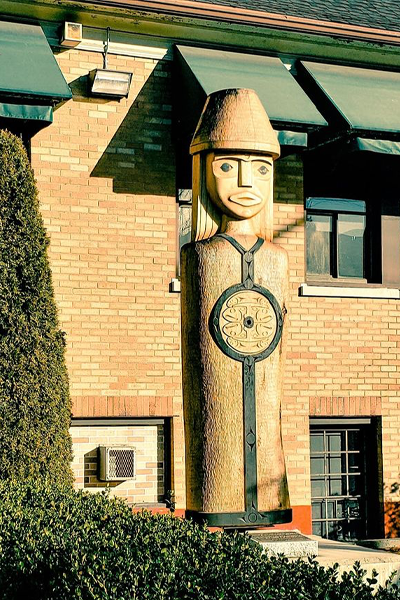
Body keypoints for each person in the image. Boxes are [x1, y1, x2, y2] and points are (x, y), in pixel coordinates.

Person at [181, 88, 291, 528]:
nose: (246, 184)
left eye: (261, 169)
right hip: (216, 434)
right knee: (218, 435)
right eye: (228, 167)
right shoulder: (200, 256)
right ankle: (221, 498)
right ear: (203, 171)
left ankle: (268, 502)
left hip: (267, 420)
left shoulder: (277, 259)